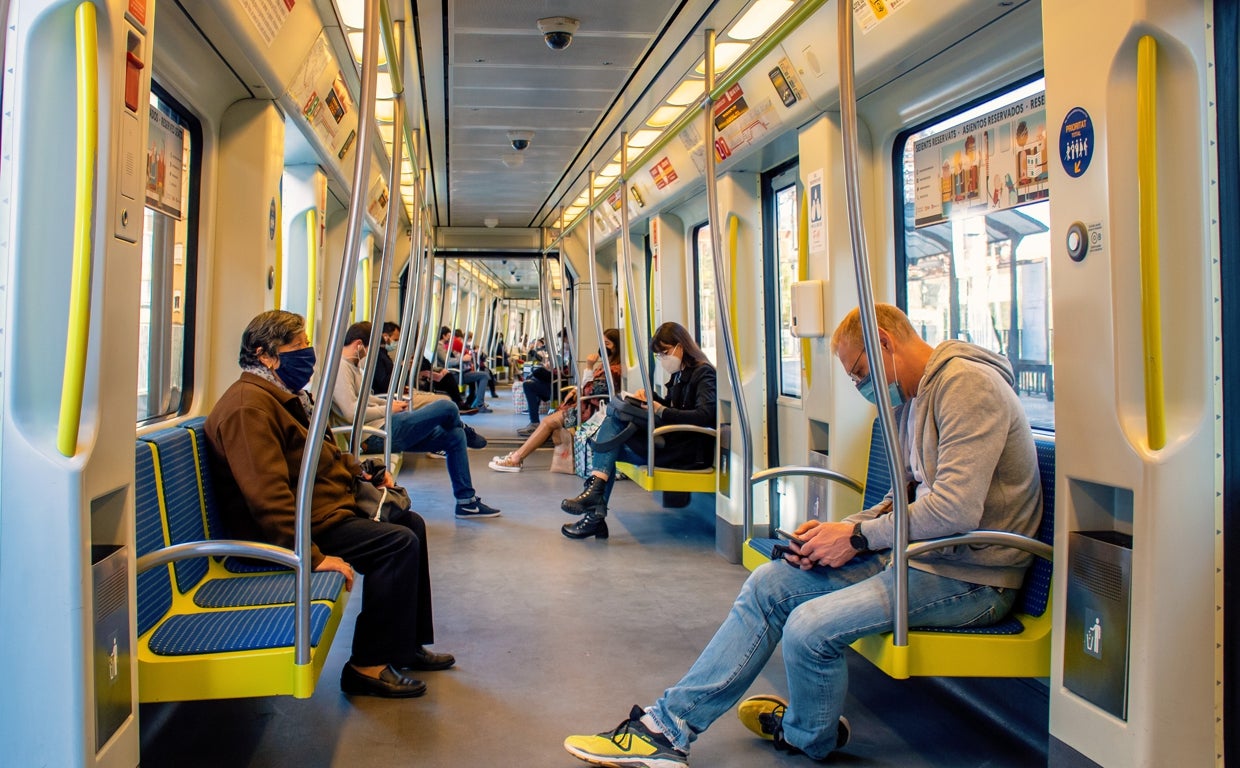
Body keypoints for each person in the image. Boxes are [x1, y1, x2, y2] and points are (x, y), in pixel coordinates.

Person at [561, 304, 1043, 765]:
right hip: (916, 554)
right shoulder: (912, 401)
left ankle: (808, 734)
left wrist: (856, 541)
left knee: (808, 629)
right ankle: (667, 728)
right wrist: (843, 529)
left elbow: (956, 508)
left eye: (858, 373)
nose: (860, 386)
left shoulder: (968, 387)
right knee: (768, 584)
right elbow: (905, 494)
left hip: (972, 577)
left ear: (882, 345)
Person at [204, 310, 456, 699]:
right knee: (396, 543)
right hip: (288, 531)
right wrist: (312, 556)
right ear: (266, 355)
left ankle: (404, 644)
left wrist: (363, 471)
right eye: (299, 345)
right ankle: (365, 665)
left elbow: (322, 454)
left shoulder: (282, 397)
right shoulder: (248, 408)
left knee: (412, 524)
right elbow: (267, 499)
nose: (308, 353)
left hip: (321, 508)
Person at [559, 322, 716, 540]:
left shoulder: (703, 373)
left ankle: (594, 510)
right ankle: (594, 510)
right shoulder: (680, 374)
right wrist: (650, 398)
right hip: (673, 440)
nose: (662, 359)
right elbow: (673, 406)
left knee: (610, 437)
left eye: (664, 352)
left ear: (680, 347)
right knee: (610, 440)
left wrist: (661, 409)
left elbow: (705, 414)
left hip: (687, 450)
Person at [333, 322, 500, 520]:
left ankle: (466, 503)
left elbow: (366, 399)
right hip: (374, 435)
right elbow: (351, 412)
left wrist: (390, 403)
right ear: (359, 344)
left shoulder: (352, 367)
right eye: (371, 348)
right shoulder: (339, 369)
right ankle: (464, 427)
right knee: (447, 407)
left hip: (386, 425)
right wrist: (387, 408)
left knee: (454, 437)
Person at [490, 329, 622, 472]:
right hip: (585, 406)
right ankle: (517, 456)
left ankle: (516, 458)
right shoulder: (604, 366)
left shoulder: (614, 370)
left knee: (548, 422)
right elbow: (587, 387)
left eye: (607, 343)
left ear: (616, 347)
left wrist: (588, 369)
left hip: (590, 411)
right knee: (549, 418)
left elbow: (591, 390)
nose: (602, 346)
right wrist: (578, 389)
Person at [436, 326, 490, 412]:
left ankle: (470, 402)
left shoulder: (447, 346)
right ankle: (479, 404)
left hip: (457, 371)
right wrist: (462, 359)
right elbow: (448, 361)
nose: (450, 337)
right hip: (453, 374)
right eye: (449, 335)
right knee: (484, 375)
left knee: (477, 378)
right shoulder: (440, 347)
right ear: (444, 336)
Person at [370, 321, 402, 396]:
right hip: (387, 396)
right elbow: (384, 384)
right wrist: (400, 367)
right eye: (395, 340)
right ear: (385, 336)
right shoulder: (377, 356)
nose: (396, 344)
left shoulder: (384, 355)